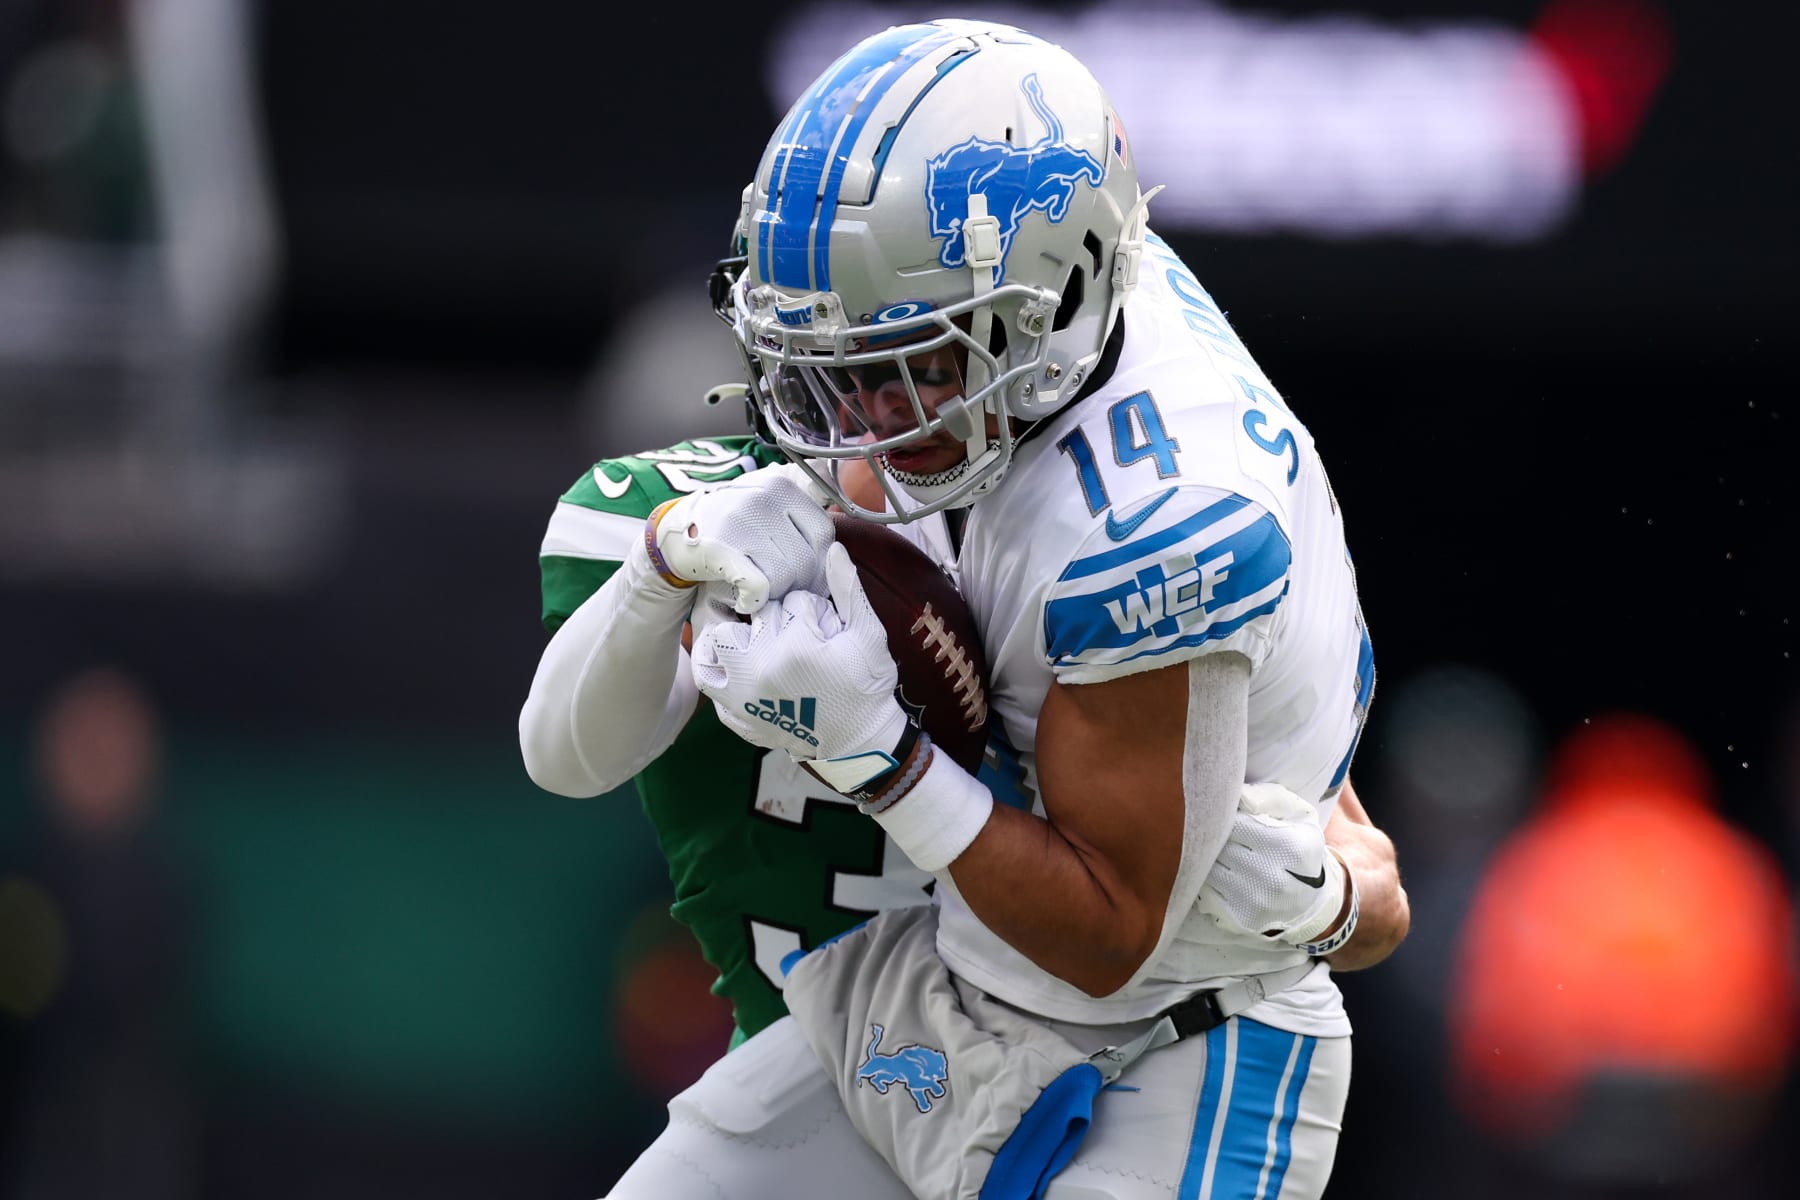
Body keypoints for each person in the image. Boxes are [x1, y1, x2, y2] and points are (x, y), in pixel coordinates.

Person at [580, 17, 1402, 1200]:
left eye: (909, 361)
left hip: (1168, 1063)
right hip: (946, 987)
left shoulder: (1157, 517)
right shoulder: (1073, 287)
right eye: (840, 368)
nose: (863, 422)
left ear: (1054, 301)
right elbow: (1252, 699)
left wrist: (875, 756)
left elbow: (1109, 936)